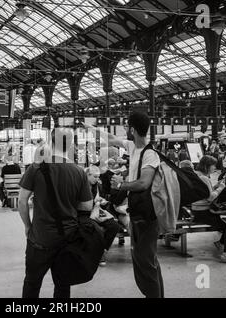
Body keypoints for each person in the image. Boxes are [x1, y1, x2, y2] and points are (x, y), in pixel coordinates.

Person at [84, 112, 164, 298]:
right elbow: (111, 138)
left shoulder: (150, 154)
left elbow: (144, 183)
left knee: (146, 262)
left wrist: (121, 184)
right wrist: (91, 128)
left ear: (133, 130)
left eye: (127, 126)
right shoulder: (132, 147)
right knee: (146, 261)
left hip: (147, 216)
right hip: (137, 214)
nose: (125, 130)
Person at [18, 128, 93, 298]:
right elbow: (87, 206)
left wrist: (28, 227)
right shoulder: (79, 171)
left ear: (51, 142)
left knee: (32, 282)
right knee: (62, 286)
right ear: (71, 144)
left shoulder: (36, 168)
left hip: (40, 238)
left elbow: (22, 201)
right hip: (68, 239)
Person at [191, 156, 226, 264]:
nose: (215, 167)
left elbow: (205, 193)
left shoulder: (198, 176)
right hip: (203, 211)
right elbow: (210, 197)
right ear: (207, 166)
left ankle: (223, 245)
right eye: (213, 165)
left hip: (197, 210)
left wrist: (215, 186)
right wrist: (221, 188)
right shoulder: (204, 178)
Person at [85, 165, 120, 267]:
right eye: (95, 177)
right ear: (88, 175)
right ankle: (98, 253)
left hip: (96, 210)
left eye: (98, 176)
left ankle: (103, 250)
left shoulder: (97, 185)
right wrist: (94, 202)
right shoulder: (82, 185)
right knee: (98, 230)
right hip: (85, 213)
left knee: (114, 226)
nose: (97, 179)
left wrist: (101, 200)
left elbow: (99, 198)